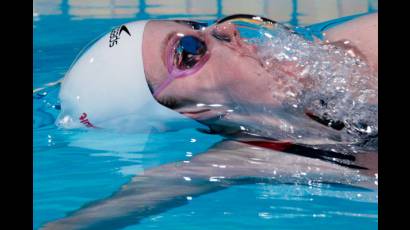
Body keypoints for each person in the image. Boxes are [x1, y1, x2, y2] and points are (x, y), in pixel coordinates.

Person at [45, 13, 378, 229]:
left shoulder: (358, 49)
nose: (225, 28)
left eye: (195, 25)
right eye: (189, 49)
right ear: (193, 111)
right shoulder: (253, 157)